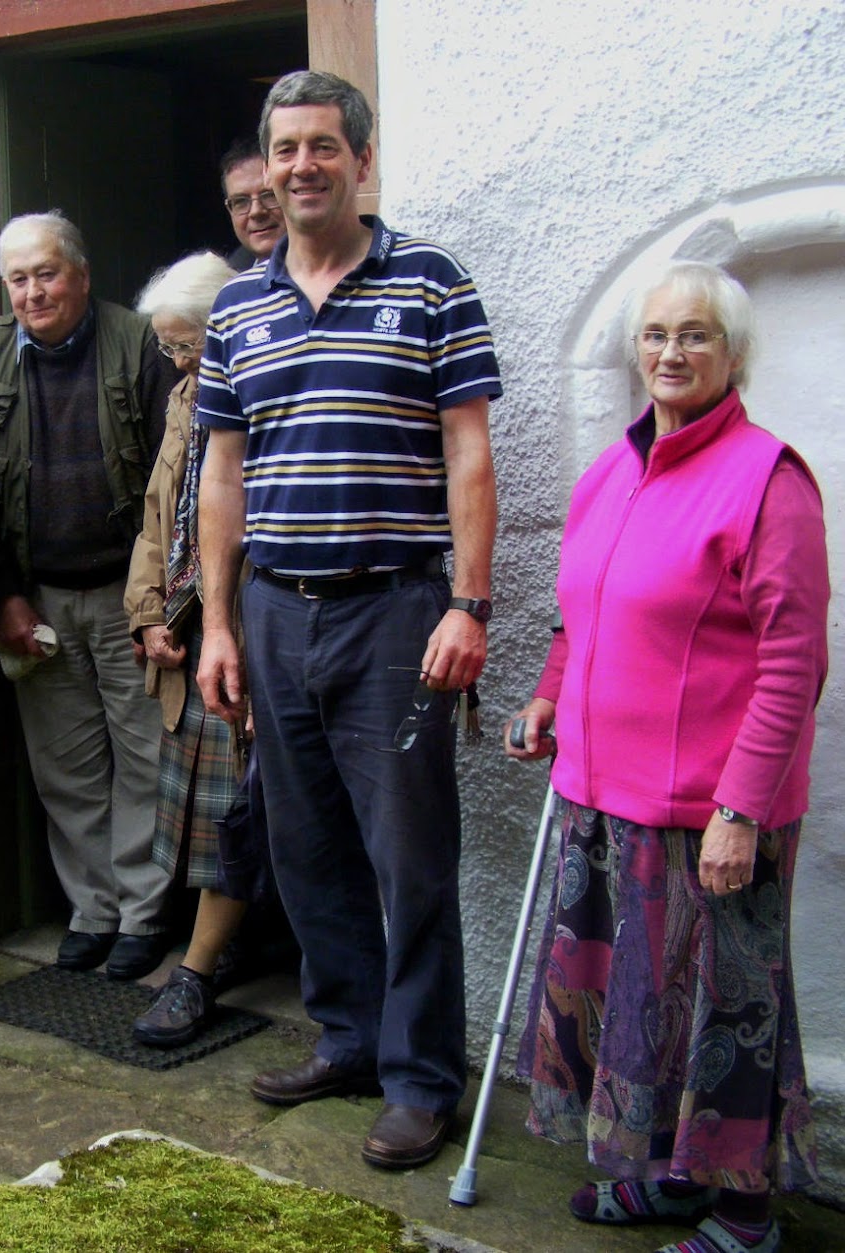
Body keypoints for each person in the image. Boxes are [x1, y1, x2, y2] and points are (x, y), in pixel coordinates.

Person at [196, 70, 501, 1170]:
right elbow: (221, 475)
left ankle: (422, 1076)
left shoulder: (428, 281)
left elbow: (467, 447)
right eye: (285, 149)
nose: (303, 167)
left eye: (323, 146)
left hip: (395, 613)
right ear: (267, 167)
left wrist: (468, 601)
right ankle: (349, 1040)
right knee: (307, 843)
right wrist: (218, 623)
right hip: (275, 613)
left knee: (408, 856)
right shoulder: (237, 306)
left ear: (360, 160)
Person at [505, 261, 827, 1253]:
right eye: (654, 335)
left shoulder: (768, 481)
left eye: (694, 335)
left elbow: (791, 663)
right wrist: (549, 693)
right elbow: (581, 613)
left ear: (732, 353)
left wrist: (740, 807)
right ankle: (667, 1175)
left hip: (709, 815)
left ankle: (743, 1214)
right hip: (602, 799)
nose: (671, 353)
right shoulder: (611, 471)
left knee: (727, 1017)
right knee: (640, 1012)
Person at [0, 211, 178, 980]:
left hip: (126, 592)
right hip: (38, 598)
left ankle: (144, 915)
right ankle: (94, 910)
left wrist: (157, 602)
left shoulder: (138, 341)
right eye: (17, 278)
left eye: (46, 273)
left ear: (80, 275)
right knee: (67, 767)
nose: (32, 291)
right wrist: (6, 597)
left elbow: (171, 477)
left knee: (145, 757)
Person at [122, 250, 253, 1046]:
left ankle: (199, 970)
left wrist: (220, 617)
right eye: (170, 346)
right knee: (209, 815)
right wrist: (148, 610)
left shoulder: (268, 396)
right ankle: (217, 952)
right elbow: (156, 512)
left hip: (244, 631)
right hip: (189, 630)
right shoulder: (181, 399)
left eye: (190, 343)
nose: (180, 360)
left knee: (239, 811)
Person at [219, 137, 284, 270]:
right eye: (241, 202)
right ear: (230, 210)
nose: (256, 211)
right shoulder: (227, 278)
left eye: (270, 195)